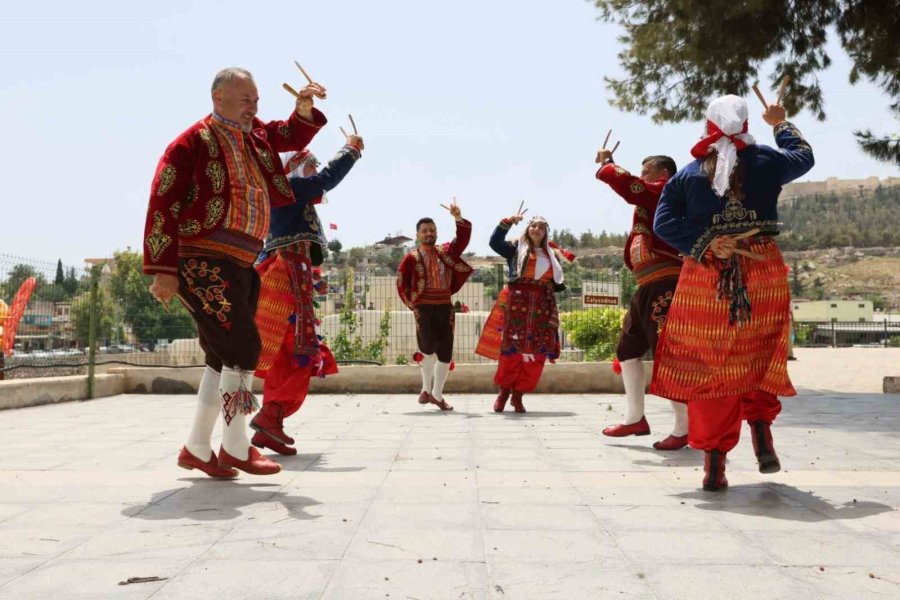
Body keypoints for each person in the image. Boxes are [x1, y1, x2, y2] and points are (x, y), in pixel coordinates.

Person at [143, 67, 327, 478]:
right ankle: (236, 447)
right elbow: (162, 203)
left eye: (256, 101)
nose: (253, 109)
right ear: (218, 97)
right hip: (201, 259)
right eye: (246, 100)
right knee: (244, 347)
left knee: (221, 356)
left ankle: (196, 447)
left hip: (242, 260)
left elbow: (288, 134)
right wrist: (163, 269)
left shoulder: (256, 135)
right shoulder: (191, 142)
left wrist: (303, 109)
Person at [652, 94, 814, 490]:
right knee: (760, 351)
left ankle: (714, 464)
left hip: (708, 276)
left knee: (710, 365)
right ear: (745, 124)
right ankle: (760, 430)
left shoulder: (688, 174)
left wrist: (707, 243)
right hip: (762, 269)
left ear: (708, 125)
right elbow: (804, 156)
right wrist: (780, 123)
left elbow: (663, 223)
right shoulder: (768, 161)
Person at [251, 136, 364, 455]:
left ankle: (272, 419)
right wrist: (350, 151)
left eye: (314, 165)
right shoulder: (289, 188)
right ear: (294, 168)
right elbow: (326, 179)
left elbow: (320, 184)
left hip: (290, 273)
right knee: (292, 348)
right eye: (309, 165)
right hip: (286, 276)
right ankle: (270, 417)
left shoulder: (290, 194)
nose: (314, 170)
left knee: (291, 350)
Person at [594, 150, 688, 450]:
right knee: (627, 350)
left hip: (666, 283)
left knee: (667, 353)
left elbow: (632, 186)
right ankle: (635, 418)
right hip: (646, 284)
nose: (642, 176)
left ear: (663, 173)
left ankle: (684, 427)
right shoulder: (653, 195)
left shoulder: (667, 190)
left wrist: (608, 166)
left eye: (646, 171)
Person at [476, 214, 574, 413]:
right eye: (533, 226)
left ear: (546, 233)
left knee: (536, 354)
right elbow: (494, 243)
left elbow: (553, 283)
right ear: (527, 229)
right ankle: (504, 393)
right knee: (511, 351)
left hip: (541, 308)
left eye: (541, 227)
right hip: (516, 306)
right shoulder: (515, 249)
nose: (537, 229)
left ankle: (518, 395)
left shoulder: (551, 255)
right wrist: (507, 222)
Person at [396, 200, 473, 411]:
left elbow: (463, 239)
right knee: (427, 349)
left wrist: (458, 218)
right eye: (424, 231)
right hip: (424, 308)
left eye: (432, 230)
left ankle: (437, 395)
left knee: (446, 353)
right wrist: (412, 305)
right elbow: (401, 283)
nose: (429, 233)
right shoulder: (410, 258)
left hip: (445, 308)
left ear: (436, 232)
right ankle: (425, 389)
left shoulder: (447, 252)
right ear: (417, 235)